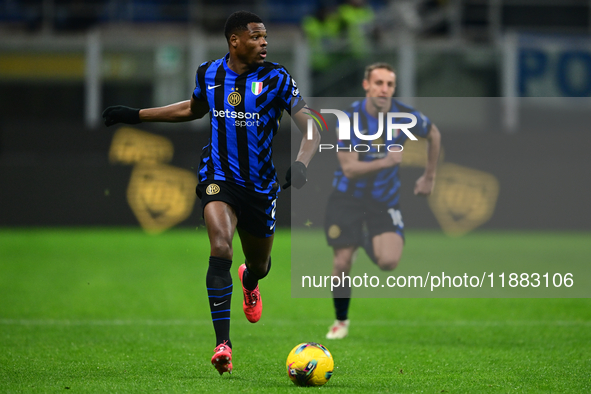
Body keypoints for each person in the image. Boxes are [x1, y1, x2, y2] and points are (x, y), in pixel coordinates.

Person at [102, 11, 320, 374]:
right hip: (218, 176)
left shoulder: (278, 78)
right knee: (220, 246)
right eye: (256, 36)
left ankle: (250, 280)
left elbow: (312, 126)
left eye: (265, 37)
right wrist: (136, 115)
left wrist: (302, 163)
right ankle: (223, 344)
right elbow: (192, 108)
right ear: (234, 41)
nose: (264, 42)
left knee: (260, 266)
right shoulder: (209, 73)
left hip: (261, 187)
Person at [323, 62, 441, 339]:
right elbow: (350, 168)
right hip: (347, 198)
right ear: (366, 85)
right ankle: (341, 321)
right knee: (341, 263)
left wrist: (429, 177)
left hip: (384, 200)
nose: (384, 89)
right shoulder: (348, 118)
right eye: (378, 83)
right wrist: (386, 160)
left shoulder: (405, 115)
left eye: (389, 84)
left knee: (388, 262)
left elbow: (433, 134)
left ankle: (362, 239)